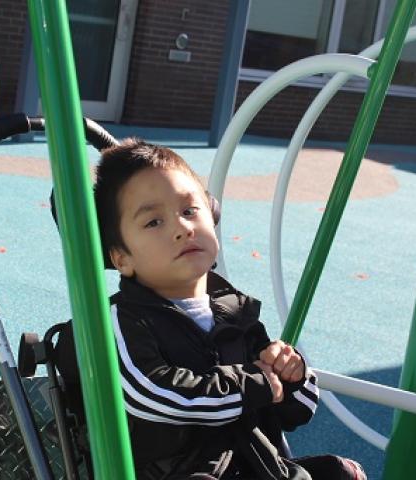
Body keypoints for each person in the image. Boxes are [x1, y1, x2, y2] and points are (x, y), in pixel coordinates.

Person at [87, 138, 365, 479]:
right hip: (179, 471)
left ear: (212, 213)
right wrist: (250, 384)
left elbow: (297, 412)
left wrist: (292, 376)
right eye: (153, 222)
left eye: (190, 210)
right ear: (121, 258)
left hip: (257, 467)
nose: (183, 227)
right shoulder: (123, 322)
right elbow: (152, 393)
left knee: (340, 472)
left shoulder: (236, 312)